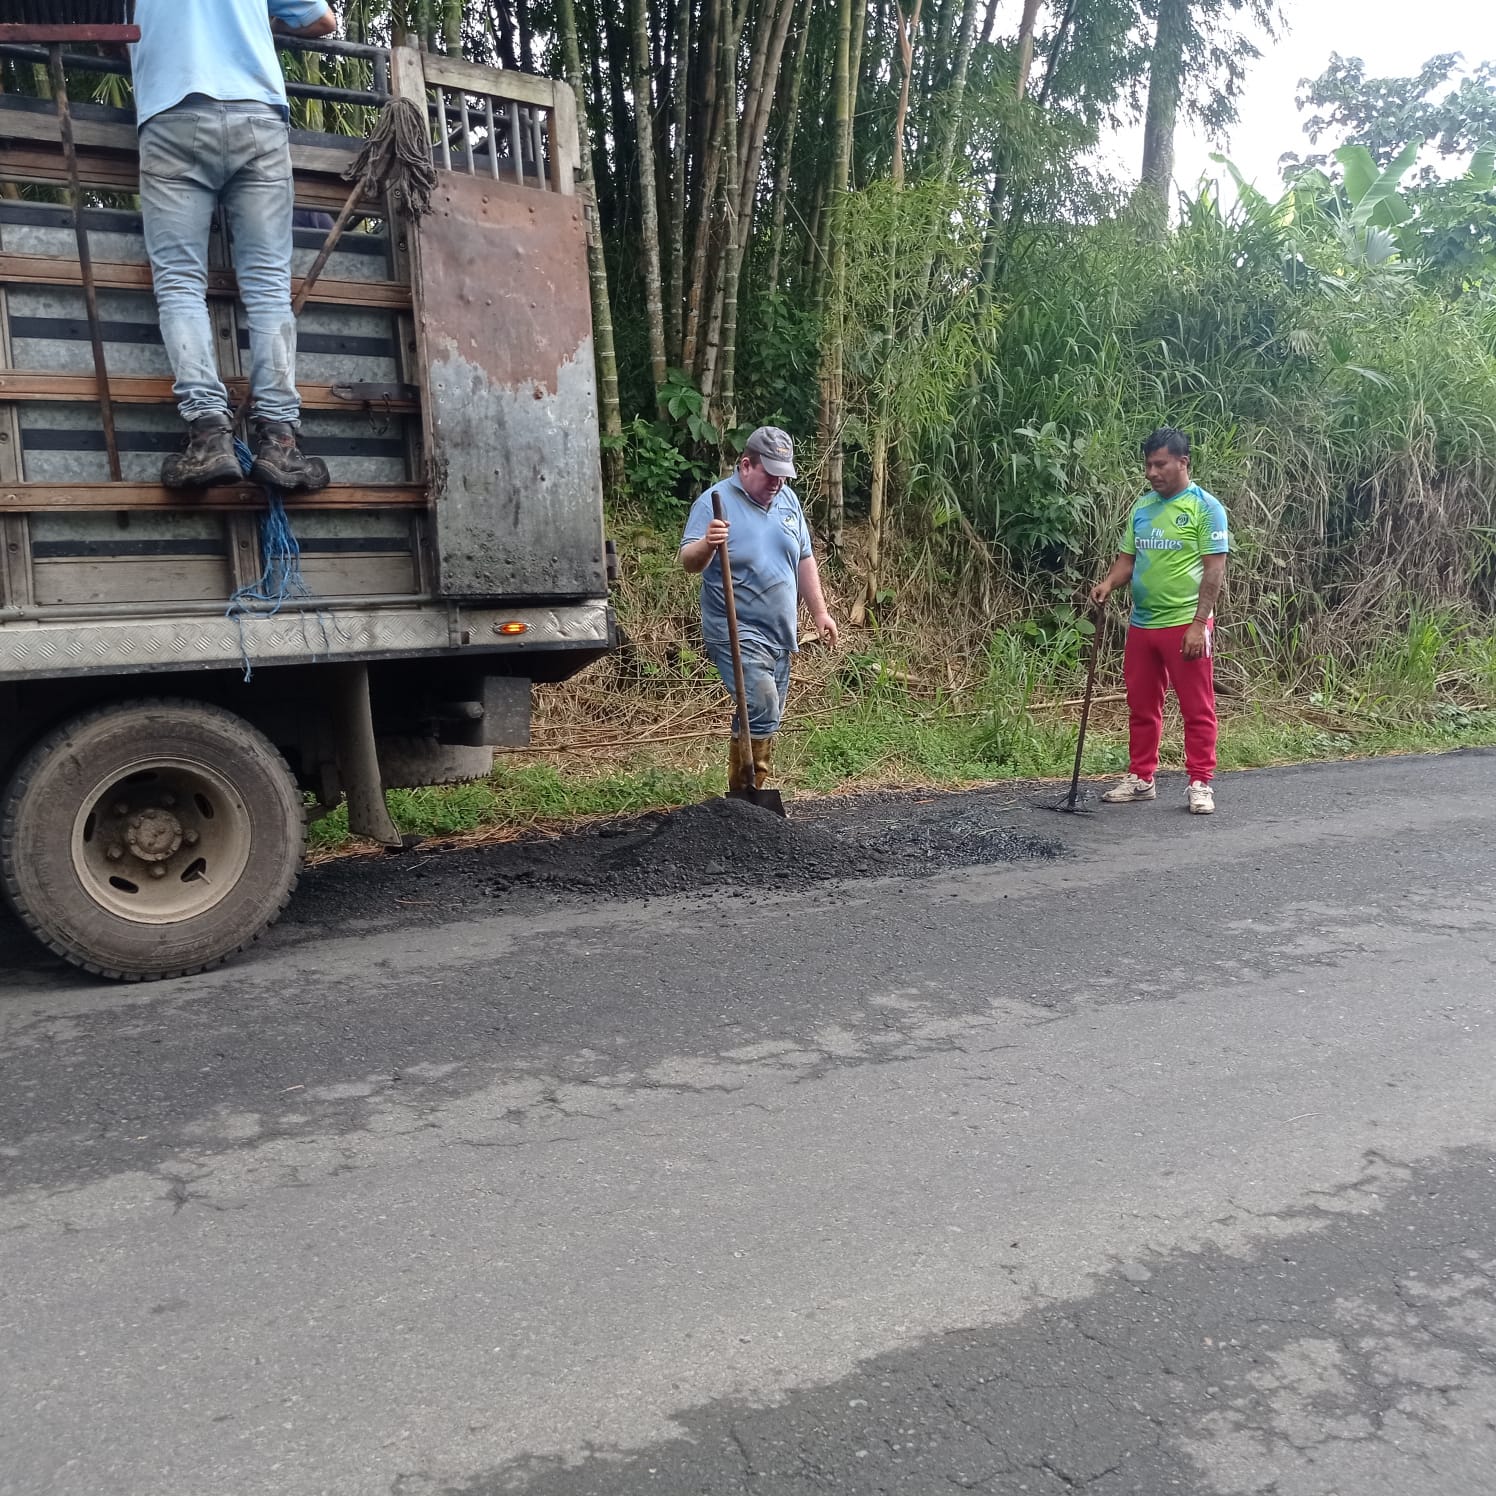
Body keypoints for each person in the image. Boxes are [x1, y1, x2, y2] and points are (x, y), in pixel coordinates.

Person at [131, 1, 336, 492]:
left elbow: (114, 36)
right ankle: (279, 442)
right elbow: (322, 20)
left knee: (180, 283)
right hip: (257, 114)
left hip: (171, 112)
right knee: (268, 287)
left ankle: (209, 437)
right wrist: (260, 22)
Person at [680, 427, 839, 792]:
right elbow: (688, 562)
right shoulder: (715, 502)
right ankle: (748, 793)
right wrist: (708, 543)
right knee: (762, 703)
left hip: (780, 631)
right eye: (770, 474)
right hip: (735, 628)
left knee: (765, 713)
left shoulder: (788, 501)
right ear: (746, 465)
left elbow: (804, 558)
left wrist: (820, 612)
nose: (777, 483)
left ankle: (742, 800)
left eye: (783, 475)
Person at [1090, 427, 1230, 815]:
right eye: (1148, 465)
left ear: (1183, 462)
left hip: (1185, 623)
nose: (1151, 473)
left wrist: (1199, 624)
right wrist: (1108, 583)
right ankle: (1141, 778)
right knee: (1141, 704)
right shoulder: (1142, 508)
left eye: (1160, 464)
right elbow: (1128, 560)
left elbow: (1214, 570)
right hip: (1142, 624)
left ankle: (1200, 782)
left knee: (1196, 706)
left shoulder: (1206, 508)